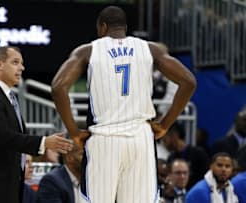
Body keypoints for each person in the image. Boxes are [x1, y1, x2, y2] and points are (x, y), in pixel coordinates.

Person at [51, 5, 196, 203]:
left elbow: (58, 87)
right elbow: (189, 82)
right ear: (124, 28)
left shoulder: (87, 51)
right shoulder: (150, 49)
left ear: (102, 27)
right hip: (140, 138)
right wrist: (164, 125)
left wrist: (74, 131)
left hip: (104, 138)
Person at [0, 46, 73, 203]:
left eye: (21, 63)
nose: (22, 68)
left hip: (6, 184)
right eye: (15, 62)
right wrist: (44, 142)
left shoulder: (5, 96)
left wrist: (22, 165)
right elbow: (2, 137)